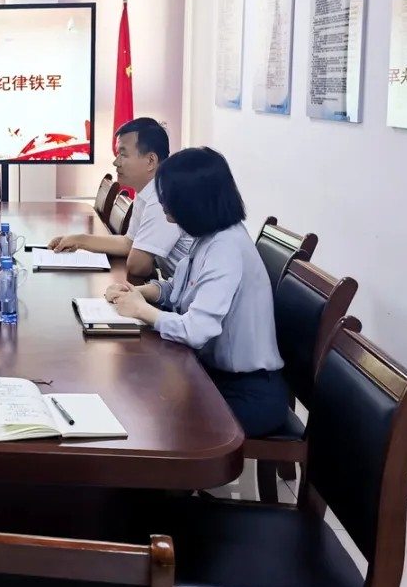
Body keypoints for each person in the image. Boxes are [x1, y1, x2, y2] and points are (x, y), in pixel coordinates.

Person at [105, 147, 288, 438]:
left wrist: (141, 310)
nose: (161, 201)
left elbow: (196, 330)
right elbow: (178, 289)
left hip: (247, 392)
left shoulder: (226, 248)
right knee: (136, 398)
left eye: (168, 194)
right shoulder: (209, 236)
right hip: (215, 374)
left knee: (153, 425)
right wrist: (139, 292)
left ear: (192, 199)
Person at [49, 118, 192, 278]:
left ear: (151, 161)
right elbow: (129, 243)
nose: (115, 162)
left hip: (191, 291)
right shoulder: (147, 190)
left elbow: (138, 266)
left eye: (123, 154)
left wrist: (146, 264)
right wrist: (78, 240)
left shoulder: (162, 197)